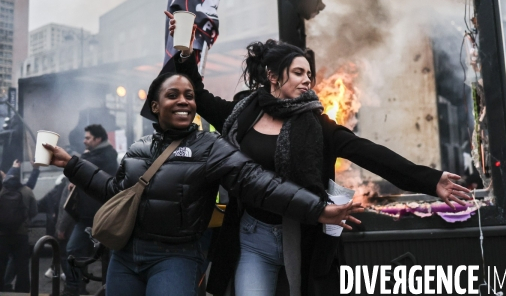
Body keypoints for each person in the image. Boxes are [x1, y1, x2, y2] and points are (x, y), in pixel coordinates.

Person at [166, 15, 471, 296]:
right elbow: (200, 98)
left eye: (309, 74)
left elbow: (371, 154)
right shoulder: (242, 112)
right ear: (273, 76)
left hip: (300, 235)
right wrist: (184, 52)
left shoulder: (317, 125)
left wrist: (432, 181)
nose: (307, 80)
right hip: (251, 236)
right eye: (298, 72)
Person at [42, 72, 362, 296]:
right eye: (173, 95)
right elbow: (116, 194)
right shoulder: (138, 148)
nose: (184, 101)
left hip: (176, 259)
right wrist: (70, 164)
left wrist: (318, 209)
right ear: (155, 106)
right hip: (124, 258)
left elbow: (260, 184)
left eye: (190, 95)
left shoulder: (211, 147)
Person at [62, 124, 118, 295]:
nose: (84, 141)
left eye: (88, 138)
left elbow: (88, 168)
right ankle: (75, 287)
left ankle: (105, 289)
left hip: (101, 216)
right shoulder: (91, 156)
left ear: (98, 139)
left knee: (107, 257)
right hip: (86, 216)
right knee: (74, 251)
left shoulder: (106, 156)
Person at [0, 164, 38, 292]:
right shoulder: (27, 191)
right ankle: (22, 290)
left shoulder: (1, 191)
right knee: (22, 265)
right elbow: (34, 211)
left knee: (1, 263)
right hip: (21, 233)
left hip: (2, 234)